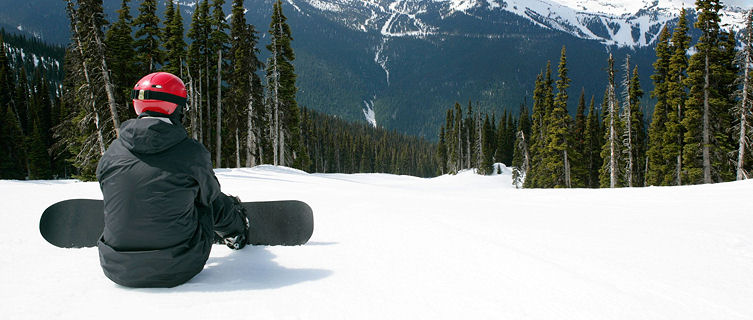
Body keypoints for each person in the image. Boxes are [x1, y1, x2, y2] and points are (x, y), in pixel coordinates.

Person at [96, 72, 249, 288]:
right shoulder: (190, 153)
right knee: (207, 200)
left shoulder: (113, 151)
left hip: (116, 268)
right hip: (179, 267)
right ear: (177, 108)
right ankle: (235, 232)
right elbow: (210, 196)